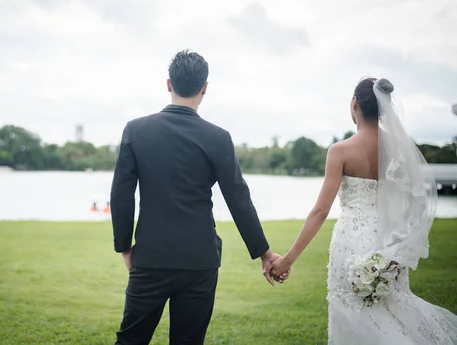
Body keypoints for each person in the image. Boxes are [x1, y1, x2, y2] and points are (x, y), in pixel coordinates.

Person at [110, 50, 289, 344]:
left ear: (169, 84)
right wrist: (264, 252)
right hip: (199, 261)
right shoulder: (217, 137)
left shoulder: (136, 131)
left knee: (130, 340)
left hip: (150, 257)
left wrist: (124, 246)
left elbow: (121, 194)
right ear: (205, 87)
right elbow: (238, 200)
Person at [269, 77, 457, 344]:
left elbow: (320, 211)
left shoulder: (340, 151)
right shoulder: (399, 151)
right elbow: (414, 204)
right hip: (390, 242)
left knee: (350, 311)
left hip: (350, 242)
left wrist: (287, 260)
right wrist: (399, 247)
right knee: (391, 310)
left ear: (354, 103)